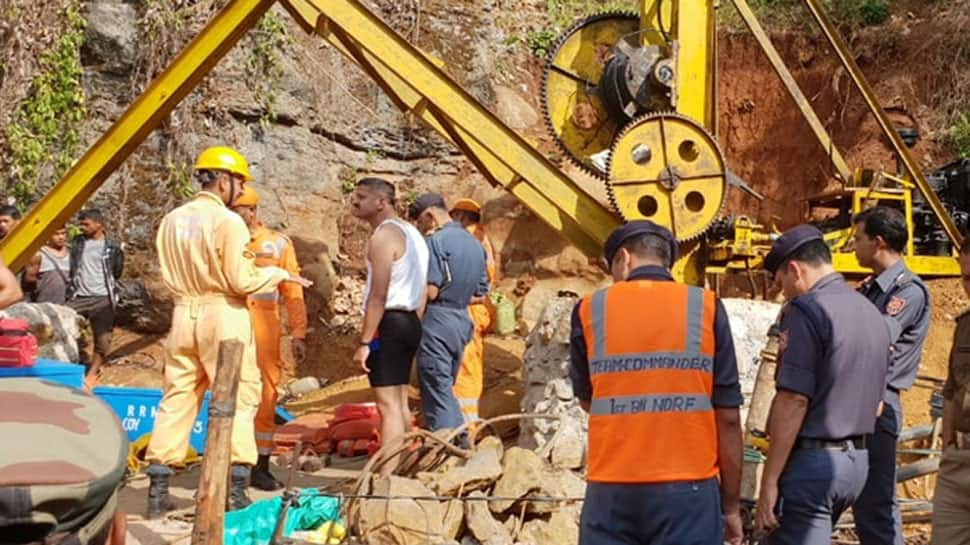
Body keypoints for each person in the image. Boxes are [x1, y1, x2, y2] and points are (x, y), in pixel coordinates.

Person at [145, 146, 311, 518]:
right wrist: (278, 274)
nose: (241, 190)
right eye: (239, 182)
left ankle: (157, 490)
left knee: (178, 395)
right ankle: (236, 490)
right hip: (223, 314)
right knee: (239, 396)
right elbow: (240, 279)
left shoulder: (172, 219)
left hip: (183, 312)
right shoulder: (228, 222)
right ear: (224, 180)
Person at [569, 220, 744, 545]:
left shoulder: (588, 309)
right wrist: (731, 506)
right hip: (689, 490)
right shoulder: (705, 306)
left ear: (624, 258)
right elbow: (729, 418)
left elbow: (588, 399)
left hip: (611, 487)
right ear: (667, 261)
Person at [754, 225, 892, 544]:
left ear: (794, 270)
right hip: (857, 463)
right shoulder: (869, 311)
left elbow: (793, 400)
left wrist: (770, 482)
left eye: (781, 284)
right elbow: (879, 402)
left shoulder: (806, 311)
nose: (783, 293)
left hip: (814, 466)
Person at [852, 206, 931, 545]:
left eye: (858, 239)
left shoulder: (908, 290)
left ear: (878, 242)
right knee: (860, 501)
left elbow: (876, 336)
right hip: (858, 401)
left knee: (876, 505)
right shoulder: (871, 288)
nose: (852, 246)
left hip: (880, 404)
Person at [230, 185, 308, 490]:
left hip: (264, 329)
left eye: (237, 211)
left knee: (265, 394)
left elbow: (293, 291)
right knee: (229, 395)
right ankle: (230, 463)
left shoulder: (277, 244)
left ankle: (259, 466)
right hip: (231, 325)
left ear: (252, 211)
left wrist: (298, 333)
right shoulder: (224, 240)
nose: (233, 217)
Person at [351, 178, 428, 474]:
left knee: (387, 405)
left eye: (362, 196)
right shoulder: (414, 234)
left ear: (381, 202)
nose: (354, 202)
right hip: (409, 321)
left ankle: (387, 479)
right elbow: (421, 291)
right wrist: (411, 324)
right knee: (400, 401)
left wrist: (365, 342)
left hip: (390, 321)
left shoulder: (383, 237)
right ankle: (402, 469)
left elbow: (378, 295)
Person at [408, 193, 488, 433]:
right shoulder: (475, 243)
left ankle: (445, 450)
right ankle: (461, 442)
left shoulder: (435, 242)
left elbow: (429, 291)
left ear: (430, 216)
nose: (420, 228)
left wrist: (412, 325)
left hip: (437, 321)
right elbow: (481, 293)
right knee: (445, 388)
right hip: (462, 321)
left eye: (420, 222)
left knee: (436, 390)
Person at [931, 239, 970, 545]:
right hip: (959, 463)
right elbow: (951, 390)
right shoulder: (964, 326)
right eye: (966, 278)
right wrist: (947, 449)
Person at [448, 198, 498, 425]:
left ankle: (466, 425)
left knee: (465, 368)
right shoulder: (480, 238)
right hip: (476, 308)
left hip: (469, 308)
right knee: (467, 364)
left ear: (461, 216)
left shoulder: (469, 239)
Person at [68, 209, 124, 385]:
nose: (82, 227)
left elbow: (117, 271)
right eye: (81, 223)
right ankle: (69, 366)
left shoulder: (113, 247)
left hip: (102, 298)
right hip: (78, 296)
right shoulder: (78, 243)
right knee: (65, 329)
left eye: (86, 224)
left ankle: (93, 371)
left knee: (102, 338)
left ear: (99, 224)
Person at [23, 226, 71, 304]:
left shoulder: (72, 253)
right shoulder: (38, 254)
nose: (61, 237)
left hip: (66, 304)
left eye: (63, 233)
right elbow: (29, 281)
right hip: (44, 304)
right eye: (56, 234)